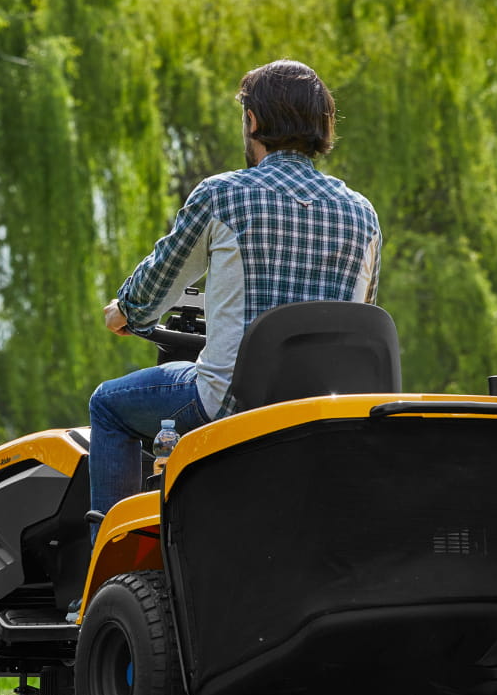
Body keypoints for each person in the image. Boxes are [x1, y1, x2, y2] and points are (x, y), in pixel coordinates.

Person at [88, 59, 381, 521]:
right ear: (324, 125)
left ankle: (106, 555)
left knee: (107, 404)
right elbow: (360, 320)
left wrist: (126, 311)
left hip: (230, 406)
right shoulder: (362, 214)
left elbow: (158, 282)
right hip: (324, 414)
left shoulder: (222, 195)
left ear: (253, 120)